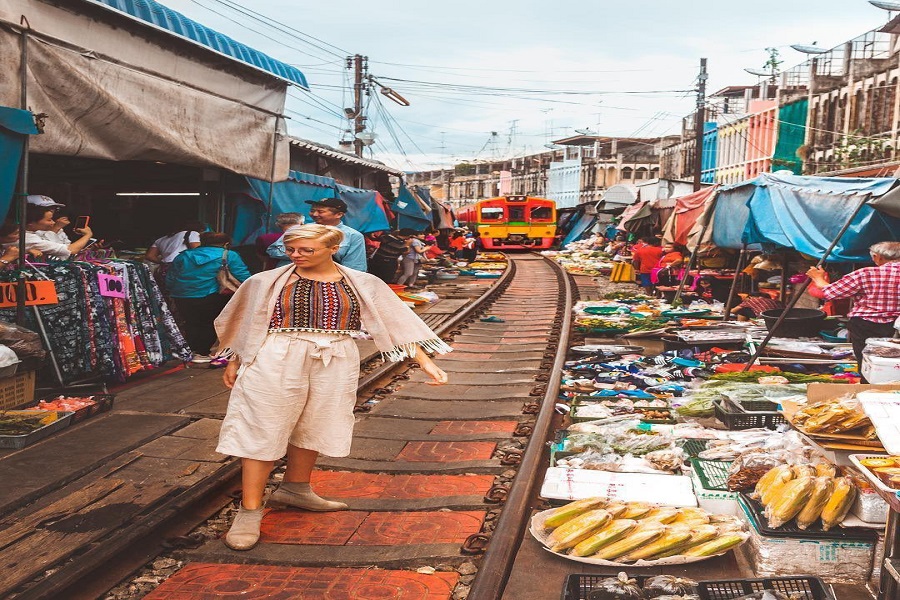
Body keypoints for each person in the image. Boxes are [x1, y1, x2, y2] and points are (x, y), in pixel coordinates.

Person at [213, 224, 450, 551]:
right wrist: (234, 360)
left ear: (332, 248)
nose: (297, 256)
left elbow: (393, 321)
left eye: (306, 250)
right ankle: (250, 511)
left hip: (335, 357)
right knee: (262, 427)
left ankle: (296, 489)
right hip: (276, 356)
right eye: (291, 250)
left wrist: (425, 361)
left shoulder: (363, 283)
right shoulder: (265, 281)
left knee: (316, 423)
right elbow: (243, 320)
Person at [807, 241, 900, 376]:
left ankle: (868, 387)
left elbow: (830, 291)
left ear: (878, 257)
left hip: (866, 325)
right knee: (894, 364)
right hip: (896, 326)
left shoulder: (866, 273)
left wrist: (817, 277)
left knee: (867, 363)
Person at [166, 232, 252, 364]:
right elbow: (242, 275)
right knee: (209, 323)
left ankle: (192, 350)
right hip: (211, 294)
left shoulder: (184, 255)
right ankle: (202, 351)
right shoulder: (229, 255)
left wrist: (172, 290)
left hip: (182, 295)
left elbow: (171, 277)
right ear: (226, 244)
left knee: (190, 322)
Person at [299, 198, 367, 271]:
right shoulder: (301, 230)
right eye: (312, 211)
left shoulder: (353, 236)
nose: (314, 214)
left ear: (339, 214)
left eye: (320, 211)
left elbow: (355, 267)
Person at [145, 220, 204, 289]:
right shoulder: (192, 234)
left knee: (165, 294)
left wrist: (162, 262)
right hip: (181, 268)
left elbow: (150, 256)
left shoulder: (161, 239)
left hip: (163, 269)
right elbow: (198, 251)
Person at [23, 202, 94, 260]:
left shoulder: (34, 232)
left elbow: (69, 248)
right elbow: (71, 250)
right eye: (49, 220)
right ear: (31, 223)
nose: (52, 222)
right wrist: (88, 235)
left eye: (55, 209)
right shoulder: (27, 237)